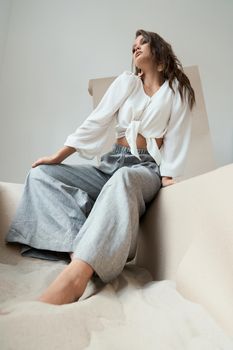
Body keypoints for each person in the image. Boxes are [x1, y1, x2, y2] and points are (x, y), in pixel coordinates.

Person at [5, 29, 196, 305]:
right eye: (133, 45)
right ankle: (81, 249)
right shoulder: (126, 83)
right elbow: (97, 120)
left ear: (160, 52)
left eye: (143, 42)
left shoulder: (175, 92)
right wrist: (59, 156)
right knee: (40, 175)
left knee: (125, 179)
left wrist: (169, 176)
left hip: (144, 169)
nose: (136, 47)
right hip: (112, 162)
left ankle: (76, 277)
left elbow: (178, 137)